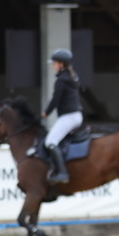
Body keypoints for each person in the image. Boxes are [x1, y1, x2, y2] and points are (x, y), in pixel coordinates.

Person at [42, 49, 83, 183]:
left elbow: (55, 100)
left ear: (61, 64)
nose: (53, 65)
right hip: (76, 115)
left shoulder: (61, 80)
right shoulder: (72, 76)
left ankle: (63, 173)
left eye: (54, 63)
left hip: (69, 116)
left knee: (50, 142)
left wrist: (46, 113)